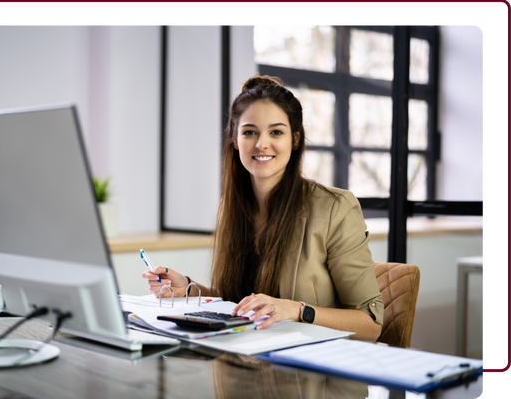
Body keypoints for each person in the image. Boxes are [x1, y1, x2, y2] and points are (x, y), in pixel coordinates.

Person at [142, 75, 383, 341]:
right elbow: (240, 304)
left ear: (295, 139)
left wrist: (296, 310)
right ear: (235, 139)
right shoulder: (232, 207)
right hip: (245, 363)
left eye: (276, 132)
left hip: (312, 373)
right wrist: (190, 288)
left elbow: (370, 325)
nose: (261, 144)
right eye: (250, 132)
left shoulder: (335, 208)